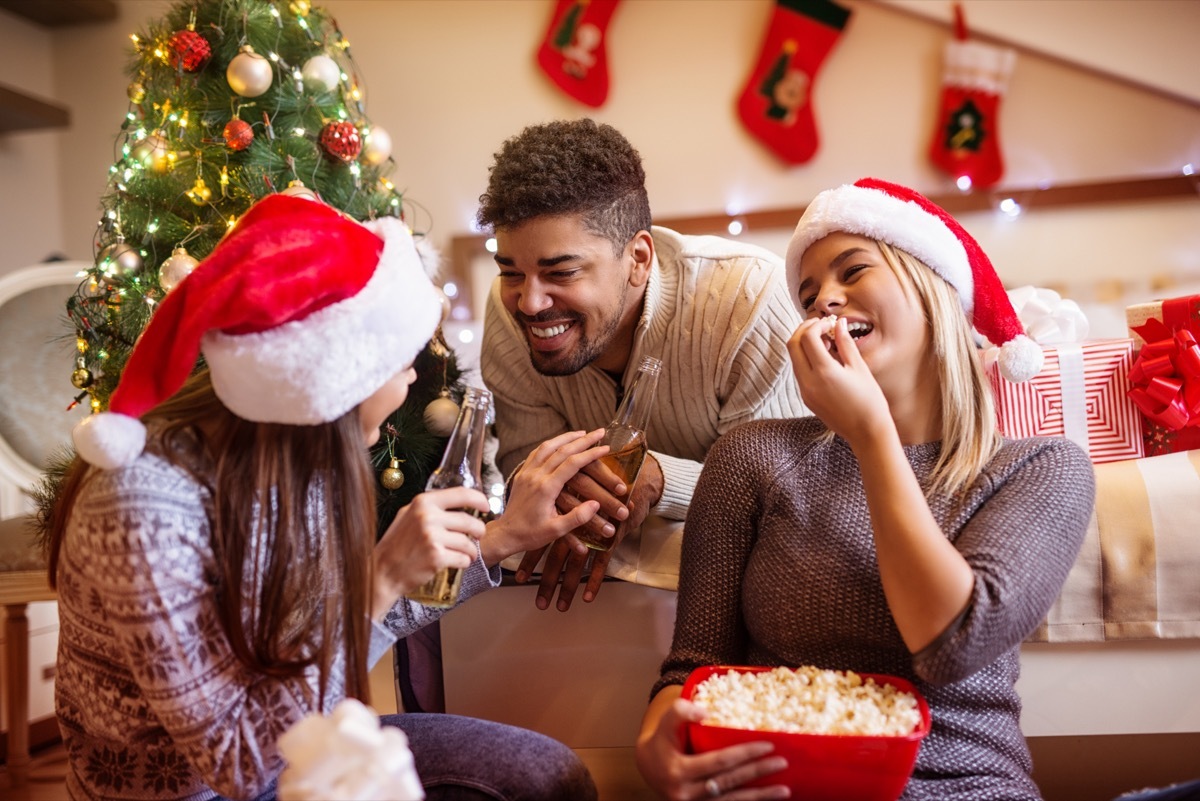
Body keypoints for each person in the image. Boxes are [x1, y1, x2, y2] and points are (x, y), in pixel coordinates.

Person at [47, 194, 602, 801]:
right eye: (400, 361)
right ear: (335, 377)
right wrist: (380, 577)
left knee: (549, 777)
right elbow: (237, 765)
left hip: (298, 744)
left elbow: (333, 635)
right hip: (207, 786)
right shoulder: (144, 509)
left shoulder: (298, 466)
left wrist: (498, 541)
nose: (414, 378)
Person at [635, 178, 1096, 800]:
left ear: (933, 289)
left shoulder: (1041, 468)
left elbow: (951, 644)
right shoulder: (752, 456)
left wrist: (872, 434)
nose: (826, 298)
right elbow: (694, 669)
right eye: (809, 294)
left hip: (964, 788)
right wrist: (656, 745)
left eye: (853, 271)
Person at [477, 117, 809, 611]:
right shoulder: (510, 317)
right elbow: (524, 468)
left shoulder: (748, 300)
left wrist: (659, 479)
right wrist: (558, 494)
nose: (528, 303)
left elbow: (785, 498)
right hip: (585, 614)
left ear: (638, 257)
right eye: (511, 272)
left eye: (561, 272)